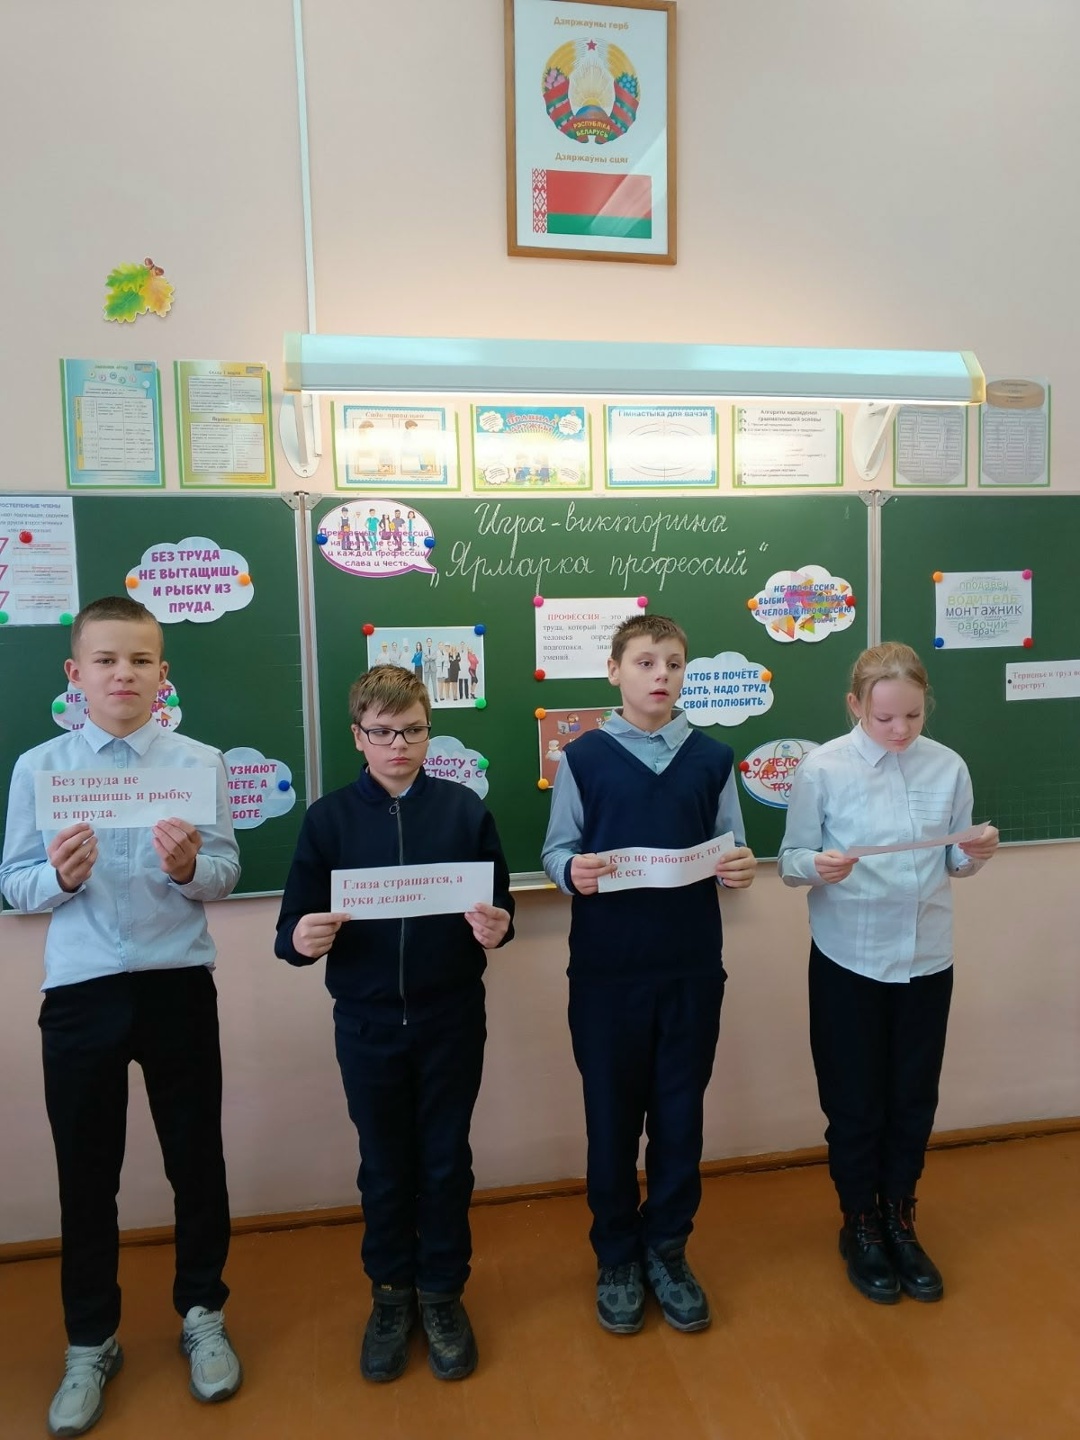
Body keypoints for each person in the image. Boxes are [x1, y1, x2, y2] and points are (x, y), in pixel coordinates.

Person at [0, 595, 243, 1438]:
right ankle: (90, 1341)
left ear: (162, 673)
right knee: (86, 1173)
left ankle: (203, 1314)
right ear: (76, 673)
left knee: (196, 1162)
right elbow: (15, 884)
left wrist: (188, 870)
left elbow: (225, 871)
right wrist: (58, 879)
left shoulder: (198, 761)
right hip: (81, 993)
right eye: (105, 660)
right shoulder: (41, 767)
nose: (123, 675)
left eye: (140, 660)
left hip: (178, 986)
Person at [274, 665, 514, 1385]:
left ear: (428, 731)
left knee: (444, 1162)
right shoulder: (328, 820)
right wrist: (301, 940)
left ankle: (441, 1294)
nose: (398, 745)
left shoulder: (463, 811)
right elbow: (290, 930)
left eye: (412, 730)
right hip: (367, 1023)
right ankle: (389, 1296)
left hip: (451, 1019)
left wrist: (499, 927)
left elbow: (501, 907)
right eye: (382, 733)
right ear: (358, 736)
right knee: (383, 1165)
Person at [541, 613, 756, 1337]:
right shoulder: (584, 758)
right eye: (644, 662)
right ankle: (616, 1257)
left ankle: (667, 1249)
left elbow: (733, 852)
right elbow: (557, 852)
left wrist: (738, 869)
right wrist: (571, 872)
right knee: (610, 1122)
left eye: (673, 663)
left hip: (690, 970)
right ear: (614, 671)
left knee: (679, 1119)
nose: (661, 674)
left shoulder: (714, 757)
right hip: (606, 974)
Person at [777, 642, 999, 1306]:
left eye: (912, 716)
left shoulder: (948, 766)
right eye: (884, 719)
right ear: (855, 705)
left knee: (913, 1097)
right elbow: (790, 861)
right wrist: (819, 866)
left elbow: (953, 863)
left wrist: (975, 853)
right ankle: (861, 1224)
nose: (900, 730)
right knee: (854, 1102)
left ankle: (901, 1216)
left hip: (927, 959)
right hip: (849, 958)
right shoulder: (823, 768)